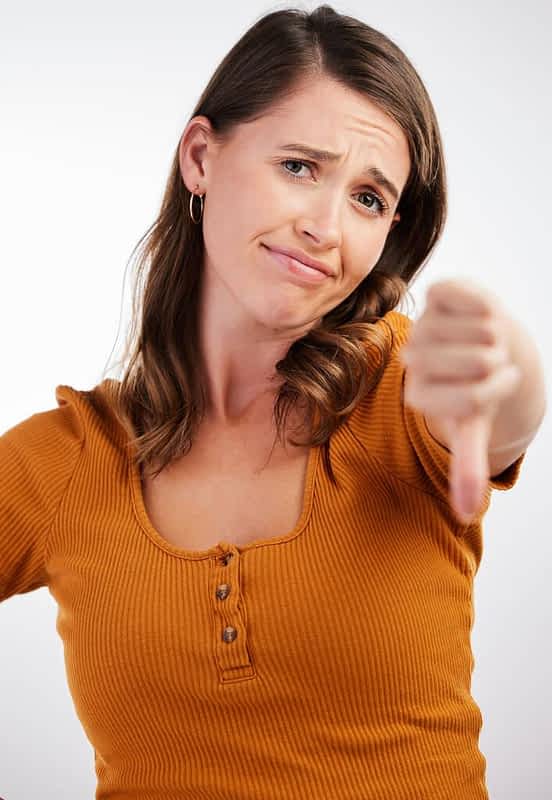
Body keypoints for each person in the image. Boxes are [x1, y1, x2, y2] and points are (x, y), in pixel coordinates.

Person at [0, 5, 546, 799]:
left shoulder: (399, 394)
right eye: (299, 166)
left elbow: (501, 412)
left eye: (367, 198)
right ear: (201, 156)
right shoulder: (68, 461)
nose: (326, 226)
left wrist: (513, 372)